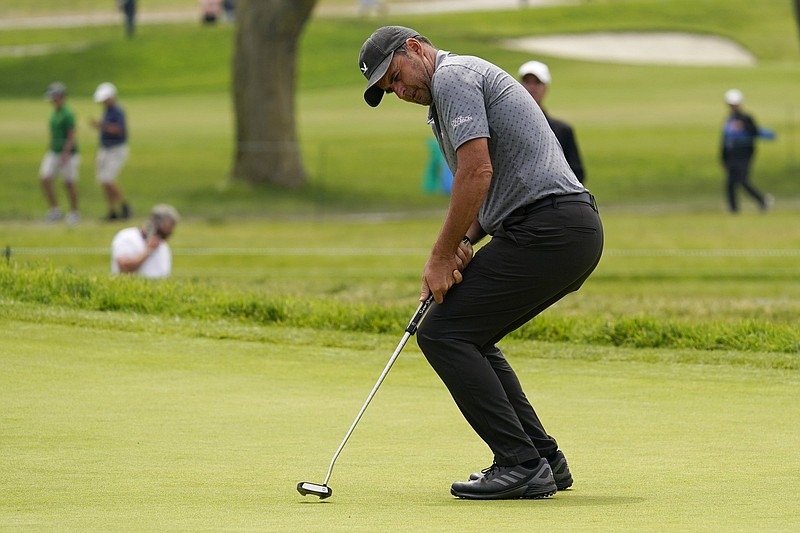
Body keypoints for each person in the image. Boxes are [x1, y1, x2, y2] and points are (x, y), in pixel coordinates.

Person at [358, 26, 603, 500]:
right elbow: (491, 187)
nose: (399, 90)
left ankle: (520, 463)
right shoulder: (447, 94)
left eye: (396, 76)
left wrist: (441, 256)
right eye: (390, 90)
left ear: (413, 48)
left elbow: (477, 172)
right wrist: (466, 240)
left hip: (551, 228)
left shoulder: (454, 77)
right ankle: (540, 457)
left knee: (442, 332)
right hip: (557, 229)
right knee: (466, 331)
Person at [518, 60, 586, 183]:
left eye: (537, 82)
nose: (531, 87)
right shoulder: (511, 127)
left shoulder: (562, 130)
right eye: (527, 82)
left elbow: (577, 173)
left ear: (545, 88)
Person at [721, 88, 771, 213]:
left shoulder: (746, 118)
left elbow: (755, 131)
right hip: (731, 155)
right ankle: (733, 209)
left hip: (744, 154)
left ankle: (762, 200)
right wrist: (723, 158)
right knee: (730, 183)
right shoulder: (729, 119)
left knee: (742, 181)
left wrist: (744, 126)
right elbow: (725, 140)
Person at [40, 82, 81, 225]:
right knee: (45, 179)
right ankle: (55, 210)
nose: (53, 101)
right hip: (54, 151)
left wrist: (65, 152)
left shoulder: (67, 113)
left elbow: (71, 135)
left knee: (69, 182)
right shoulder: (53, 112)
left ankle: (74, 212)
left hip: (68, 153)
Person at [91, 82, 132, 221]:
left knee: (108, 179)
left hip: (116, 149)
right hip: (105, 149)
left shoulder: (117, 111)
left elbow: (120, 130)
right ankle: (112, 210)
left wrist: (102, 126)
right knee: (103, 180)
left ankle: (125, 205)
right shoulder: (107, 111)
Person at [110, 204, 180, 279]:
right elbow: (124, 268)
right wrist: (148, 251)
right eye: (162, 234)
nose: (164, 239)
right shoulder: (127, 237)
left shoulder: (163, 246)